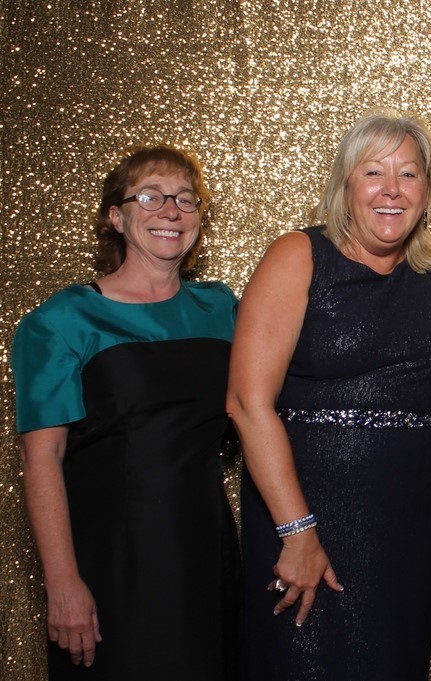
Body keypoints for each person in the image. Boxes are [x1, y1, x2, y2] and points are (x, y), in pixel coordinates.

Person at [226, 110, 431, 680]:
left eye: (408, 174)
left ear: (427, 192)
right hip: (306, 516)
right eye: (373, 172)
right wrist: (296, 531)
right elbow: (247, 403)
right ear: (345, 186)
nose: (392, 189)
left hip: (403, 520)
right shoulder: (299, 254)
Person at [11, 145, 241, 680]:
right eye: (151, 197)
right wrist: (62, 583)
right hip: (111, 557)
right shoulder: (62, 321)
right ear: (116, 217)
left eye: (185, 199)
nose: (171, 211)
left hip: (205, 550)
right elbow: (40, 458)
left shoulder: (223, 309)